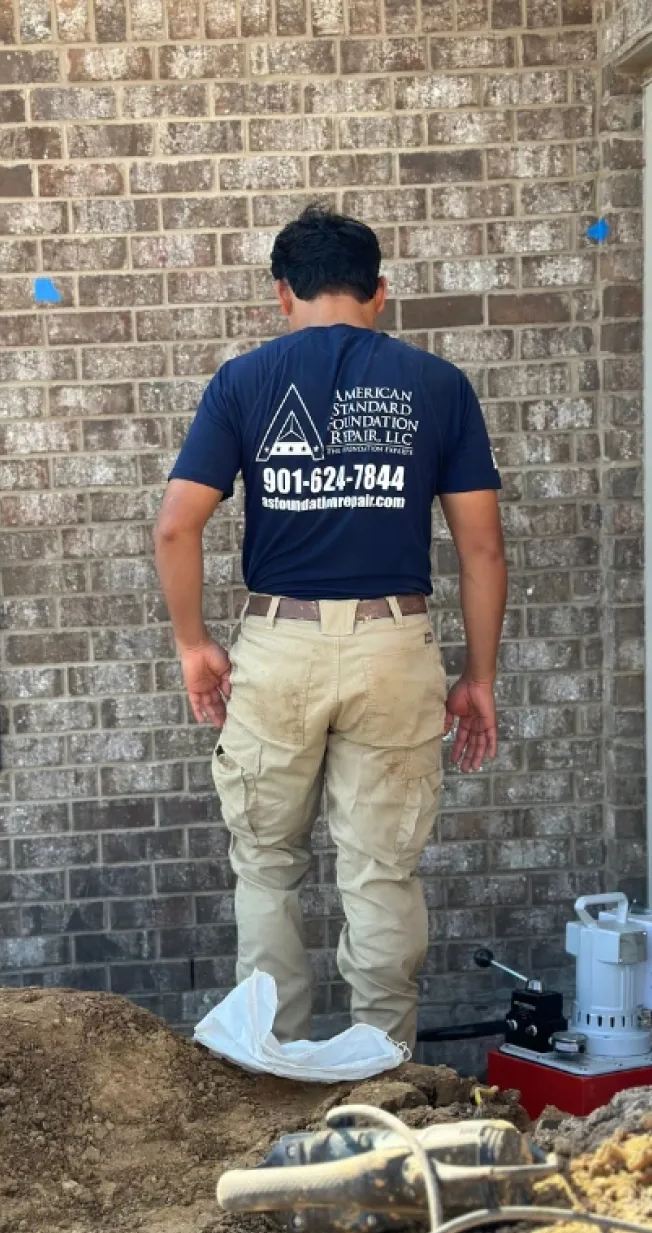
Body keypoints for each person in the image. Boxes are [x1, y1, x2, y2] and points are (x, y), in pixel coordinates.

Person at [154, 205, 506, 1051]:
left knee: (269, 866)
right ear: (379, 292)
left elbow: (175, 526)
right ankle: (385, 1079)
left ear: (284, 293)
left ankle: (270, 1078)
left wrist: (193, 644)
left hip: (279, 645)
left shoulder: (243, 382)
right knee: (381, 871)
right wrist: (478, 677)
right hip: (398, 645)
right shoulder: (438, 385)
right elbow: (483, 548)